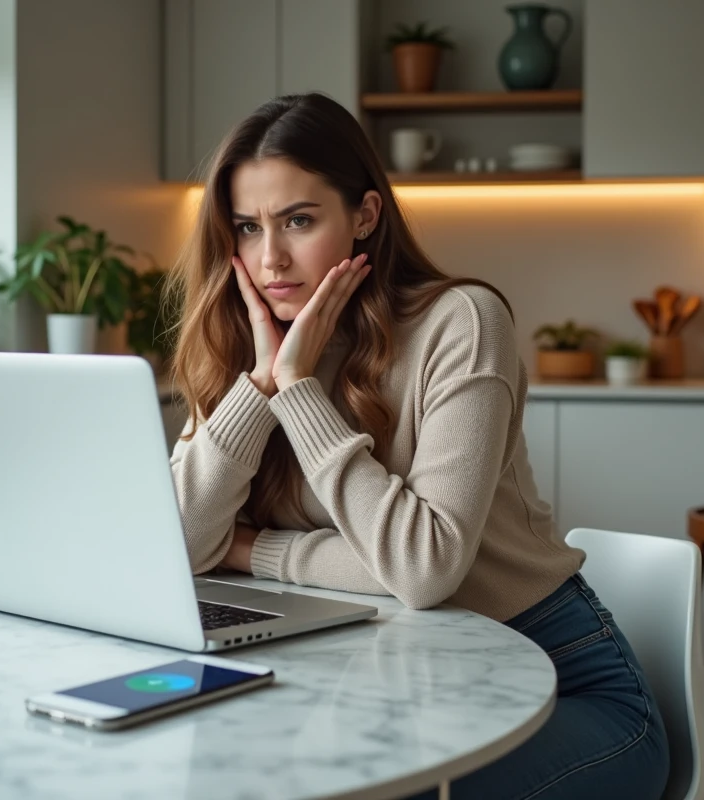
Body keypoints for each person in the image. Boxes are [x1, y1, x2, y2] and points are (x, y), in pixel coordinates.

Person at [164, 92, 669, 800]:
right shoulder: (242, 344)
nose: (269, 258)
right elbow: (179, 546)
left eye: (299, 221)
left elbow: (425, 565)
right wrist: (258, 385)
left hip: (558, 683)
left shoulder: (460, 322)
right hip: (393, 685)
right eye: (247, 227)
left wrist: (293, 412)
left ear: (365, 215)